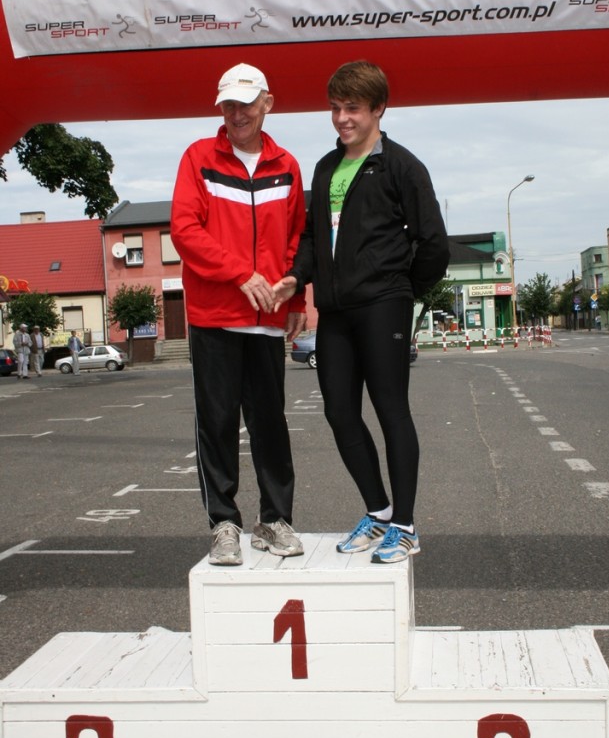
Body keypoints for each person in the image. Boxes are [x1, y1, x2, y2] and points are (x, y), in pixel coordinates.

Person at [274, 60, 449, 564]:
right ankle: (378, 512)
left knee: (391, 410)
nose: (341, 118)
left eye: (352, 108)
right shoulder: (326, 167)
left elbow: (433, 243)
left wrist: (401, 289)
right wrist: (298, 277)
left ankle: (406, 526)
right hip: (335, 311)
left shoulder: (402, 167)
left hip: (383, 306)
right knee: (339, 412)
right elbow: (312, 236)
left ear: (378, 109)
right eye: (335, 108)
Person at [171, 62, 307, 567]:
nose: (237, 113)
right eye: (229, 104)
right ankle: (223, 524)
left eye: (246, 103)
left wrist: (296, 298)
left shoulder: (287, 165)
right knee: (218, 422)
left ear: (267, 103)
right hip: (214, 317)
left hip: (267, 318)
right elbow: (185, 230)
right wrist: (239, 274)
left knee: (270, 424)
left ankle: (275, 520)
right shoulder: (198, 158)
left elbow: (297, 238)